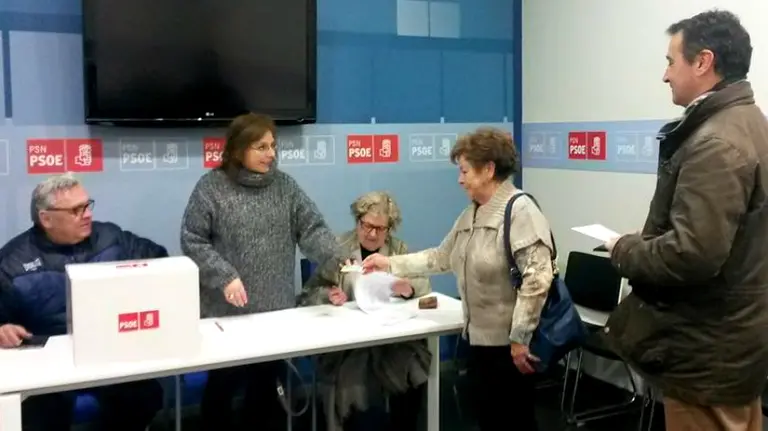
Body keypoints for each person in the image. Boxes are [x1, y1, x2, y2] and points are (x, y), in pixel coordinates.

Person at [603, 10, 768, 431]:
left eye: (670, 61)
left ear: (703, 62)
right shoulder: (749, 125)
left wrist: (624, 250)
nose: (665, 75)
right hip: (731, 347)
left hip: (705, 355)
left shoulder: (717, 142)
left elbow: (692, 254)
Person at [361, 127, 554, 431]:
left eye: (465, 171)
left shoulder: (521, 211)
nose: (460, 179)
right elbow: (440, 257)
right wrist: (389, 264)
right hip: (479, 341)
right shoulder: (472, 213)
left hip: (510, 347)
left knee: (514, 421)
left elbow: (537, 279)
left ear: (489, 169)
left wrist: (519, 338)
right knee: (489, 419)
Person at [180, 112, 346, 431]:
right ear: (238, 149)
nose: (271, 153)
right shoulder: (211, 187)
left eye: (273, 145)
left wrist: (339, 256)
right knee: (222, 390)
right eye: (261, 147)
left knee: (267, 393)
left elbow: (312, 229)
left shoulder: (285, 187)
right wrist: (225, 275)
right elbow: (193, 240)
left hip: (275, 313)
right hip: (227, 315)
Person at [0, 173, 167, 431]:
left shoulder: (111, 237)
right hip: (46, 362)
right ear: (46, 218)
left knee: (143, 396)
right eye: (76, 210)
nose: (88, 214)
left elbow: (161, 261)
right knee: (39, 416)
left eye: (88, 205)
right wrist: (2, 329)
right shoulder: (12, 262)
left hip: (108, 350)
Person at [298, 191, 431, 431]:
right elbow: (308, 294)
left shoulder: (398, 250)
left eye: (379, 229)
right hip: (349, 344)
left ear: (389, 229)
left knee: (414, 368)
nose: (371, 234)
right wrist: (328, 295)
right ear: (357, 221)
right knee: (356, 383)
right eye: (366, 225)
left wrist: (407, 288)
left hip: (390, 338)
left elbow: (424, 284)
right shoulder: (339, 249)